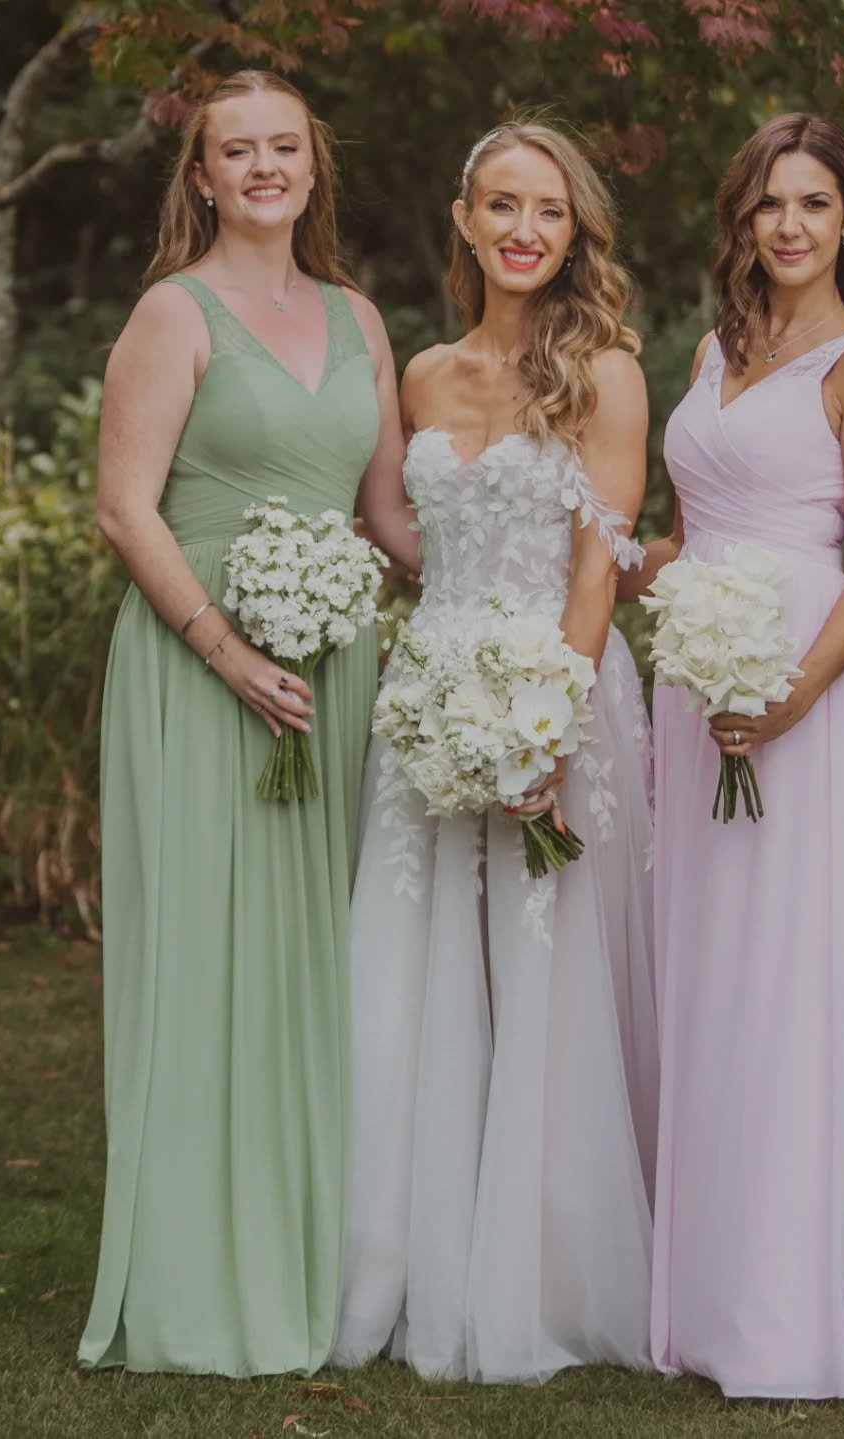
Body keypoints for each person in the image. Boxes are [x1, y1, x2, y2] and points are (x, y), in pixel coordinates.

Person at [79, 70, 403, 1374]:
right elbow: (125, 509)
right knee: (208, 964)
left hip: (332, 675)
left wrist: (532, 570)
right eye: (236, 150)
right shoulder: (174, 312)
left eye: (285, 146)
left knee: (320, 967)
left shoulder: (360, 316)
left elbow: (387, 519)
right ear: (201, 175)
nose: (264, 166)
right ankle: (200, 1272)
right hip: (200, 673)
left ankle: (310, 1251)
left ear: (313, 168)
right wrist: (223, 650)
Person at [332, 121, 656, 1384]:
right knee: (416, 975)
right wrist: (445, 662)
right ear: (463, 218)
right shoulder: (420, 373)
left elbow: (602, 562)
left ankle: (547, 1275)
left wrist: (547, 720)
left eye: (552, 212)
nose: (527, 229)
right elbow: (420, 539)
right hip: (431, 695)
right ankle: (401, 1262)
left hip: (553, 696)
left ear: (576, 235)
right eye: (504, 205)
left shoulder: (608, 373)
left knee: (542, 979)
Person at [627, 113, 844, 1402]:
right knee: (709, 974)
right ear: (742, 223)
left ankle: (790, 1308)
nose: (790, 226)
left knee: (790, 976)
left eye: (815, 203)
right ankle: (702, 1288)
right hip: (701, 684)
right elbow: (693, 529)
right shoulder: (713, 350)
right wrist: (631, 570)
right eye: (768, 205)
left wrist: (796, 697)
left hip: (805, 684)